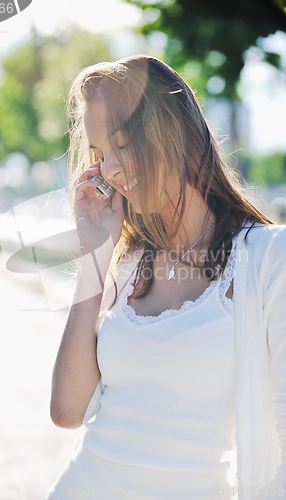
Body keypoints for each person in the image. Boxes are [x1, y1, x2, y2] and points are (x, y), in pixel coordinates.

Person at [46, 55, 286, 499]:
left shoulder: (269, 259)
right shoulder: (127, 261)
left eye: (123, 144)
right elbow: (67, 410)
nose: (111, 169)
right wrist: (94, 253)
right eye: (100, 154)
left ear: (172, 134)